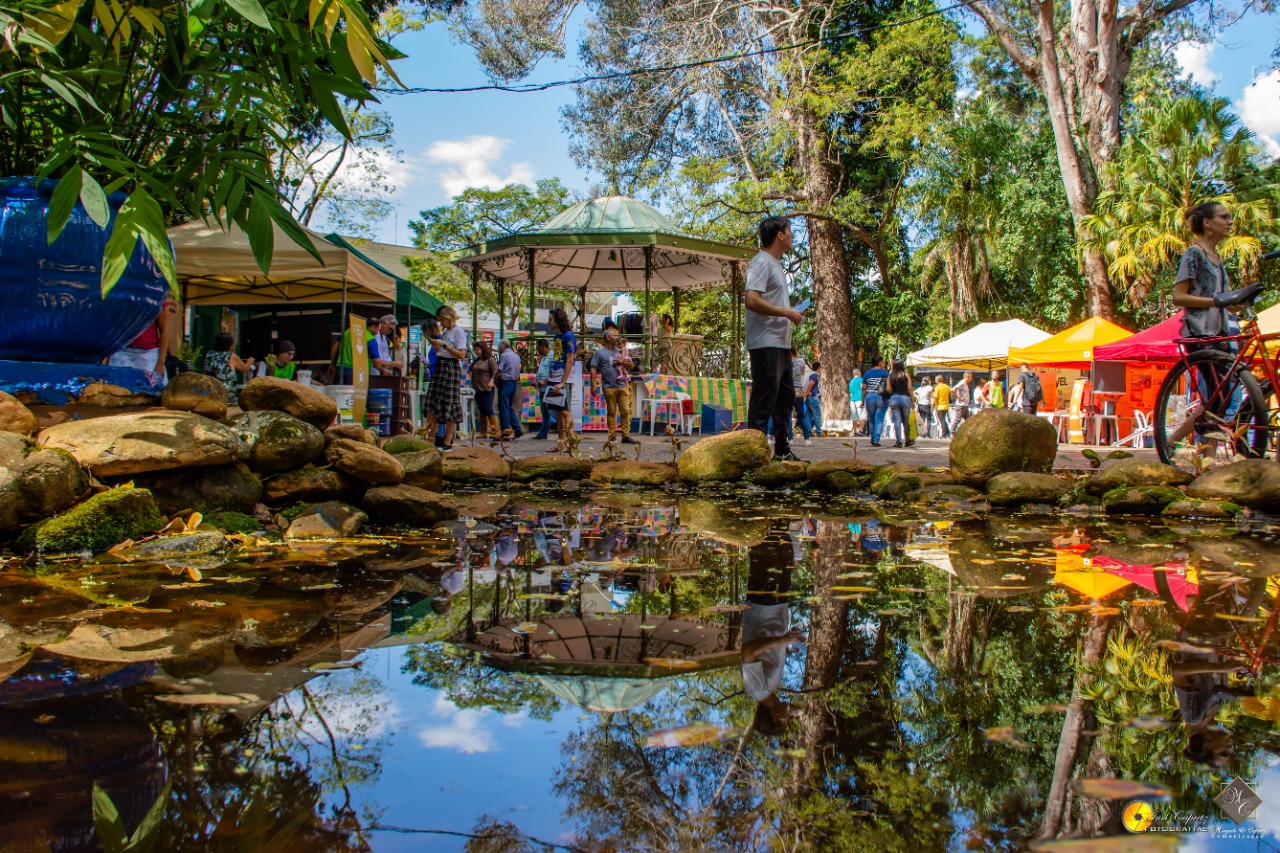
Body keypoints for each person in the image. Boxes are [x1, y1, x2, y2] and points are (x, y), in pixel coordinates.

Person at [744, 216, 806, 462]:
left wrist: (791, 312)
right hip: (765, 342)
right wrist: (786, 312)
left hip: (781, 343)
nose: (792, 235)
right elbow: (752, 300)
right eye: (790, 230)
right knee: (764, 399)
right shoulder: (761, 262)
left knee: (784, 400)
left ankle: (782, 451)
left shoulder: (777, 265)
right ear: (780, 234)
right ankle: (753, 456)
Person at [742, 522, 801, 737]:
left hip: (762, 606)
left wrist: (784, 640)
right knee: (785, 552)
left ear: (775, 716)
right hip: (775, 608)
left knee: (767, 552)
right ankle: (779, 515)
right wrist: (787, 639)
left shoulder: (757, 690)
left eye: (786, 719)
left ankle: (764, 514)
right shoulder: (769, 688)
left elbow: (747, 652)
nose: (789, 715)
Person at [1173, 201, 1262, 341]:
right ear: (1207, 223)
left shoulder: (1217, 257)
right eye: (1224, 217)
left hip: (1221, 333)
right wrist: (1216, 302)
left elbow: (1220, 301)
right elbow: (1178, 297)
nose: (1230, 222)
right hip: (1200, 334)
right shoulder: (1194, 253)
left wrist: (1233, 303)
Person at [424, 305, 467, 450]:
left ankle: (447, 441)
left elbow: (461, 354)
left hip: (451, 367)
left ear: (448, 317)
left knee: (450, 402)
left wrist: (444, 346)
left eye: (442, 320)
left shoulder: (458, 331)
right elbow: (442, 351)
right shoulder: (446, 331)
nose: (441, 323)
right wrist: (437, 346)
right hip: (440, 366)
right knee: (432, 402)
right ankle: (430, 437)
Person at [589, 329, 638, 444]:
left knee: (625, 411)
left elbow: (631, 365)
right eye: (614, 335)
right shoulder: (599, 353)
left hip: (623, 385)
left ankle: (625, 435)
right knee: (611, 411)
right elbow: (593, 368)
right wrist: (593, 385)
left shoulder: (621, 350)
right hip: (608, 386)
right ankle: (612, 435)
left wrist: (622, 363)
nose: (617, 337)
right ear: (608, 338)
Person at [109, 298, 171, 383]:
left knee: (152, 392)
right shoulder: (122, 293)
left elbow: (164, 332)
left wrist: (160, 363)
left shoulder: (158, 296)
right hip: (122, 352)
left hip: (148, 355)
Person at [546, 307, 578, 454]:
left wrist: (563, 381)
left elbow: (570, 360)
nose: (548, 322)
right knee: (558, 411)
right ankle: (561, 443)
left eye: (551, 319)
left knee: (564, 411)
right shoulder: (557, 337)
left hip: (561, 378)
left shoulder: (568, 336)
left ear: (557, 320)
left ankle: (572, 441)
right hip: (554, 376)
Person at [202, 331, 253, 404]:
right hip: (227, 396)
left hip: (210, 393)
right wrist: (250, 361)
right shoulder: (230, 356)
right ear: (230, 345)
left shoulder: (209, 354)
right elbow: (244, 368)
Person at [495, 339, 525, 440]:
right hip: (513, 383)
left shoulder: (504, 356)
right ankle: (517, 429)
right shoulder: (516, 356)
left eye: (499, 347)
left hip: (505, 382)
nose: (499, 349)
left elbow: (499, 370)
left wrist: (495, 380)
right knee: (509, 407)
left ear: (503, 346)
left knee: (503, 408)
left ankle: (506, 432)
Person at [331, 318, 376, 384]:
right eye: (377, 330)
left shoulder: (347, 331)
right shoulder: (369, 337)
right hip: (355, 370)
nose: (377, 333)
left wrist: (332, 364)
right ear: (372, 327)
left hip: (340, 367)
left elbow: (334, 347)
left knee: (337, 393)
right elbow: (376, 361)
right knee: (351, 393)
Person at [470, 340, 498, 440]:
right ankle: (484, 431)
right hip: (477, 389)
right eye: (475, 350)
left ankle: (495, 431)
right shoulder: (476, 361)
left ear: (483, 349)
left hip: (487, 389)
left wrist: (491, 382)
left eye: (478, 349)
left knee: (489, 409)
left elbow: (495, 372)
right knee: (482, 411)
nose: (476, 351)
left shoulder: (490, 360)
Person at [886, 359, 914, 448]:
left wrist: (893, 394)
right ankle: (907, 440)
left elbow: (888, 389)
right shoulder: (906, 375)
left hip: (894, 398)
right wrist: (912, 401)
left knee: (897, 421)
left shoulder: (890, 376)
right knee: (906, 420)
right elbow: (910, 388)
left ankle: (899, 441)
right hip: (905, 398)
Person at [862, 356, 889, 446]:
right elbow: (888, 387)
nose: (884, 364)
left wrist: (863, 400)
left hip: (870, 397)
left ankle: (872, 437)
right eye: (883, 362)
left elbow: (864, 388)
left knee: (871, 419)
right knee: (880, 419)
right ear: (880, 363)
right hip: (882, 397)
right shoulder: (885, 373)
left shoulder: (867, 374)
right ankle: (876, 439)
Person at [790, 346, 812, 446]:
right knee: (801, 416)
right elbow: (802, 373)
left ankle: (790, 439)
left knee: (787, 416)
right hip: (798, 390)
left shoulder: (784, 362)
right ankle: (807, 439)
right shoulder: (801, 361)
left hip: (788, 390)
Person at [533, 339, 554, 439]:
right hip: (542, 389)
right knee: (544, 411)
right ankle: (543, 432)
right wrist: (536, 379)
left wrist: (544, 380)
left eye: (538, 347)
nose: (537, 350)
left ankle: (564, 429)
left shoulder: (552, 356)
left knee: (552, 410)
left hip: (549, 388)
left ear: (542, 346)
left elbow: (553, 371)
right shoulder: (543, 358)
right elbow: (541, 370)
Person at [805, 361, 823, 439]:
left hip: (809, 397)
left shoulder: (809, 375)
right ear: (818, 368)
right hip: (813, 397)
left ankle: (809, 431)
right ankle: (819, 431)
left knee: (809, 415)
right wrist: (807, 394)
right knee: (817, 414)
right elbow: (810, 386)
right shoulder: (814, 376)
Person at [932, 373, 952, 438]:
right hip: (946, 406)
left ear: (938, 380)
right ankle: (948, 432)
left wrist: (932, 406)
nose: (935, 381)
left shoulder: (937, 387)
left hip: (939, 407)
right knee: (943, 420)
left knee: (942, 421)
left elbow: (935, 397)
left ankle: (944, 434)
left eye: (935, 380)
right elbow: (951, 393)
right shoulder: (947, 386)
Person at [848, 368, 865, 435]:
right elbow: (862, 388)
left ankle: (855, 431)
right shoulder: (861, 380)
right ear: (858, 373)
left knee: (854, 416)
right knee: (862, 416)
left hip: (852, 400)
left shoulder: (851, 381)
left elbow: (850, 392)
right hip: (859, 399)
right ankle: (861, 430)